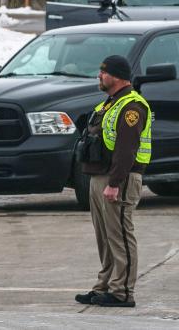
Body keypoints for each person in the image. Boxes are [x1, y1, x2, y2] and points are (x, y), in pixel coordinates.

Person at [75, 55, 151, 308]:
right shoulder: (109, 104)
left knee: (119, 235)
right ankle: (105, 286)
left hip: (120, 178)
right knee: (105, 237)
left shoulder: (131, 107)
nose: (99, 75)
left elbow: (126, 149)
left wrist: (115, 183)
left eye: (103, 72)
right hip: (100, 177)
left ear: (117, 76)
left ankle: (123, 292)